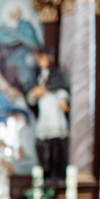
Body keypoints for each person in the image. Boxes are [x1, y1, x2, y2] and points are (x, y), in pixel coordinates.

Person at [27, 48, 70, 180]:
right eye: (39, 59)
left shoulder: (57, 75)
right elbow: (30, 97)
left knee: (56, 143)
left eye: (43, 58)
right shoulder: (36, 76)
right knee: (42, 142)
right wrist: (34, 94)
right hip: (44, 110)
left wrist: (63, 101)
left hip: (54, 111)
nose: (40, 61)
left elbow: (62, 90)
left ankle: (56, 173)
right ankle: (45, 171)